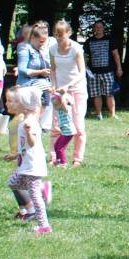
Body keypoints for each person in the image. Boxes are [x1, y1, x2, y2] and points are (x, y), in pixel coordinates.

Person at [3, 85, 51, 234]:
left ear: (25, 105)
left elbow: (32, 143)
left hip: (33, 165)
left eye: (16, 102)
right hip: (25, 163)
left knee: (35, 197)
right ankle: (43, 188)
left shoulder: (30, 123)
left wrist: (30, 133)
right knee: (13, 183)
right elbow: (25, 146)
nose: (12, 104)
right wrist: (15, 155)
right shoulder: (24, 121)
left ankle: (44, 225)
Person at [49, 20, 88, 167]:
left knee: (78, 126)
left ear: (69, 33)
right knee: (57, 125)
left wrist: (68, 86)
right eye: (56, 35)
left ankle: (77, 159)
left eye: (61, 35)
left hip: (76, 89)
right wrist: (54, 85)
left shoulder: (76, 49)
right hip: (60, 90)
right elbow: (53, 70)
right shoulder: (52, 49)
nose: (59, 38)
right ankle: (54, 157)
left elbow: (82, 72)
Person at [86, 20, 123, 120]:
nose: (98, 28)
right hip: (93, 73)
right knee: (96, 94)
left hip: (108, 72)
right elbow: (85, 57)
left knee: (109, 94)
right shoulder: (89, 41)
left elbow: (116, 54)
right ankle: (99, 114)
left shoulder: (110, 39)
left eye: (100, 27)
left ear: (103, 28)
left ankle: (112, 114)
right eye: (96, 27)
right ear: (94, 29)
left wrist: (119, 68)